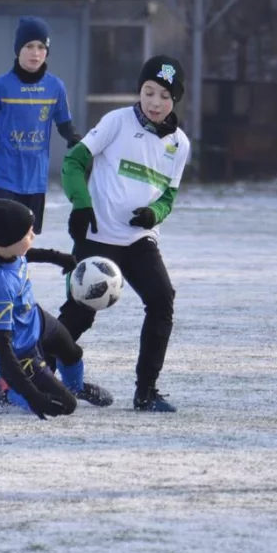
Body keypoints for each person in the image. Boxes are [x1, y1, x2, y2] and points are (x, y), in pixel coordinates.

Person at [57, 55, 190, 412]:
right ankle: (25, 375)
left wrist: (154, 213)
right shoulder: (116, 122)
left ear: (174, 99)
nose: (155, 102)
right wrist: (81, 205)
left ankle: (146, 391)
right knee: (80, 312)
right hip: (98, 236)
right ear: (139, 91)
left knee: (162, 300)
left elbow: (168, 196)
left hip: (138, 241)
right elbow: (74, 162)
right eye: (148, 92)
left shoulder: (180, 144)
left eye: (163, 95)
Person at [0, 16, 80, 341]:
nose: (35, 52)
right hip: (3, 178)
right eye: (29, 46)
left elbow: (64, 124)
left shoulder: (55, 87)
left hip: (34, 183)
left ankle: (8, 310)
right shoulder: (2, 86)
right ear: (18, 49)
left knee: (21, 251)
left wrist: (74, 138)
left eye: (41, 46)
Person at [0, 198, 113, 418]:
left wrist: (59, 258)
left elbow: (29, 255)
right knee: (66, 406)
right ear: (10, 241)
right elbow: (4, 350)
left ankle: (76, 386)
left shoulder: (11, 252)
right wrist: (32, 396)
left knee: (72, 352)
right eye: (28, 234)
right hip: (19, 350)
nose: (33, 236)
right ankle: (7, 393)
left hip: (34, 320)